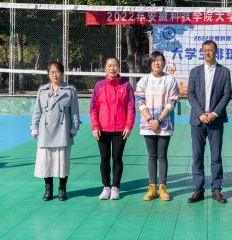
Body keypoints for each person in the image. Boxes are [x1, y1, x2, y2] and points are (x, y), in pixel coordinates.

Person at [187, 40, 232, 203]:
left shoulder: (224, 71)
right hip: (198, 121)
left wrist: (214, 113)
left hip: (215, 121)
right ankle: (198, 189)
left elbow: (227, 94)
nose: (208, 52)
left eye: (211, 50)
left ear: (216, 51)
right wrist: (200, 113)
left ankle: (216, 190)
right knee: (197, 156)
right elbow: (190, 93)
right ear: (202, 52)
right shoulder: (195, 71)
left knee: (216, 156)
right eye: (205, 50)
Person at [30, 61, 80, 201]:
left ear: (62, 73)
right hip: (45, 132)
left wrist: (74, 127)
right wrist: (34, 127)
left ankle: (62, 189)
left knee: (62, 162)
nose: (55, 74)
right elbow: (37, 111)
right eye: (52, 72)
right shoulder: (42, 90)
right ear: (48, 74)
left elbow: (74, 111)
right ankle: (48, 189)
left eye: (57, 72)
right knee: (46, 161)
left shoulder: (70, 90)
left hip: (62, 131)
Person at [135, 51, 180, 201]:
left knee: (162, 156)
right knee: (151, 156)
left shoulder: (170, 80)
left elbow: (172, 102)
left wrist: (159, 120)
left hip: (164, 124)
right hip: (148, 124)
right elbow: (140, 101)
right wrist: (150, 120)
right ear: (150, 63)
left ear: (164, 63)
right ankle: (152, 188)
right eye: (154, 60)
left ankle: (163, 188)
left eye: (160, 60)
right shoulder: (143, 80)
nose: (157, 63)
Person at [89, 57, 135, 201]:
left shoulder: (126, 86)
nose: (112, 68)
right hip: (102, 129)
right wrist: (95, 126)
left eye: (115, 65)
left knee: (117, 158)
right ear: (105, 68)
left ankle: (115, 187)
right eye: (109, 65)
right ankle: (106, 187)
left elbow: (131, 108)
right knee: (104, 159)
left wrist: (128, 126)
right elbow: (93, 108)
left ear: (118, 68)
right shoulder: (99, 86)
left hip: (120, 129)